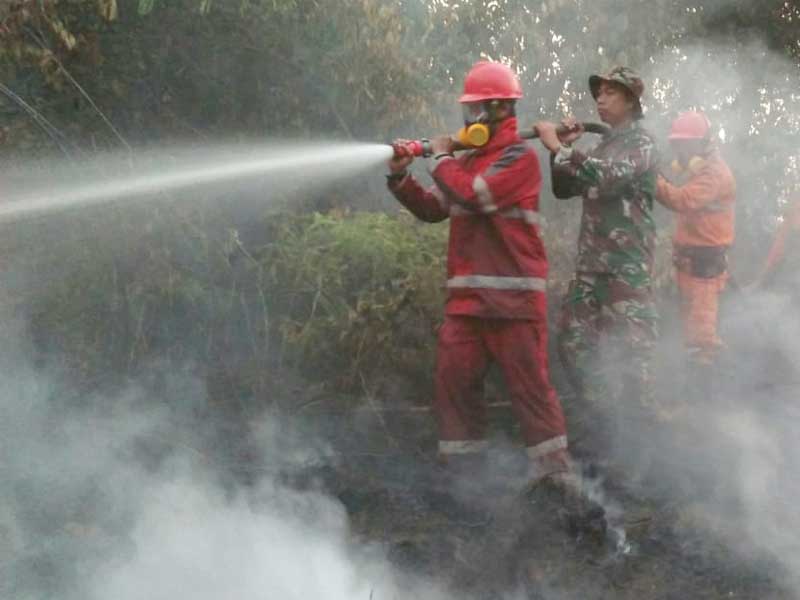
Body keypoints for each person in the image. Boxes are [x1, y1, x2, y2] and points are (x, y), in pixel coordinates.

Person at [386, 61, 573, 497]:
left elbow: (476, 195)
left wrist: (441, 156)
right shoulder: (468, 161)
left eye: (475, 110)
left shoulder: (518, 158)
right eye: (467, 110)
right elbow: (434, 207)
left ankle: (557, 481)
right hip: (468, 306)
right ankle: (464, 481)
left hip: (514, 304)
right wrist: (400, 175)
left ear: (499, 109)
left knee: (531, 392)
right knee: (454, 385)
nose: (468, 118)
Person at [534, 67, 659, 468]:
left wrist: (560, 147)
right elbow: (564, 188)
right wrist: (561, 151)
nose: (600, 100)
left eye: (609, 93)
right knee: (573, 344)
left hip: (626, 269)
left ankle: (646, 449)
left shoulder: (642, 144)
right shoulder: (603, 146)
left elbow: (608, 178)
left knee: (635, 358)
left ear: (631, 101)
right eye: (598, 93)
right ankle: (607, 427)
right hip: (590, 268)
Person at [655, 111, 735, 400]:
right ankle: (691, 396)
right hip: (690, 265)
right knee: (688, 332)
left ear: (703, 143)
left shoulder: (713, 174)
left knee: (702, 340)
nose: (680, 149)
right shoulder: (698, 169)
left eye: (685, 143)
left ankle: (704, 404)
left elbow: (683, 199)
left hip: (704, 268)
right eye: (677, 143)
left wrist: (651, 178)